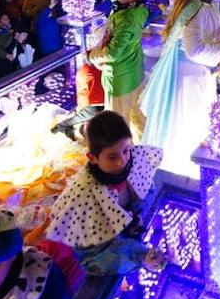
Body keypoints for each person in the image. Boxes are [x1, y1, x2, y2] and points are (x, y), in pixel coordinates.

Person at [46, 111, 166, 276]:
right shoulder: (84, 197)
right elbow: (92, 258)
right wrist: (140, 255)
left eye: (125, 150)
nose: (122, 161)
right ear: (93, 158)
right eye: (112, 157)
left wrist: (134, 217)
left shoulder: (136, 159)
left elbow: (145, 190)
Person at [140, 0, 220, 177]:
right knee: (186, 125)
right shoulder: (194, 9)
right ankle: (184, 171)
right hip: (188, 80)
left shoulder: (204, 5)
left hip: (199, 74)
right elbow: (194, 49)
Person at [88, 0, 152, 141]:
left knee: (119, 121)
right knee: (132, 114)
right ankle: (136, 149)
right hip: (130, 69)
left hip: (121, 76)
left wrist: (92, 56)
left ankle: (124, 155)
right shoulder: (134, 8)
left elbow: (113, 53)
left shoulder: (128, 19)